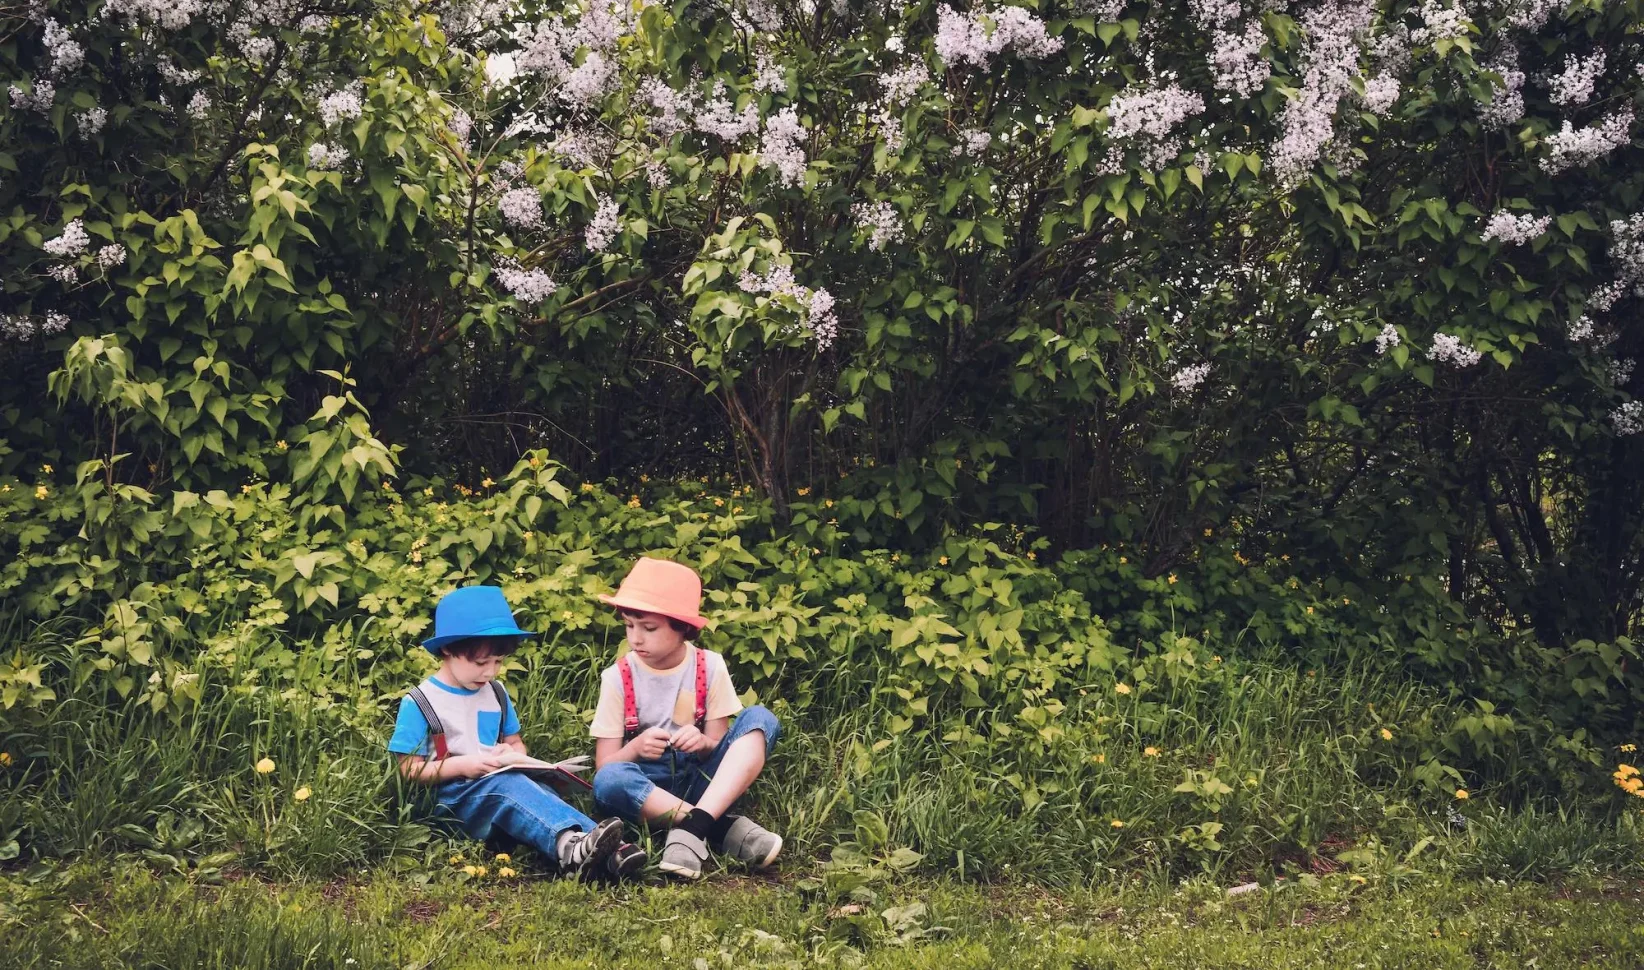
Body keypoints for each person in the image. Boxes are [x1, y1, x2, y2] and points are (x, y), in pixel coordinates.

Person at [389, 585, 645, 880]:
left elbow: (515, 742)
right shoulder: (421, 702)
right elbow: (408, 770)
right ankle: (572, 853)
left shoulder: (495, 693)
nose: (490, 673)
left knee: (539, 792)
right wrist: (461, 765)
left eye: (497, 662)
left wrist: (513, 754)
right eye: (480, 663)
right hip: (449, 802)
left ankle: (606, 854)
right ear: (448, 649)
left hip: (493, 790)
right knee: (508, 787)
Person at [589, 557, 783, 880]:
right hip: (647, 789)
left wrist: (703, 743)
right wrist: (635, 747)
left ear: (682, 628)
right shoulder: (617, 677)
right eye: (629, 625)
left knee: (761, 718)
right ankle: (710, 825)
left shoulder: (709, 666)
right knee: (610, 782)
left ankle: (697, 823)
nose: (636, 638)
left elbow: (720, 752)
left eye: (649, 628)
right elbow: (605, 767)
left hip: (701, 782)